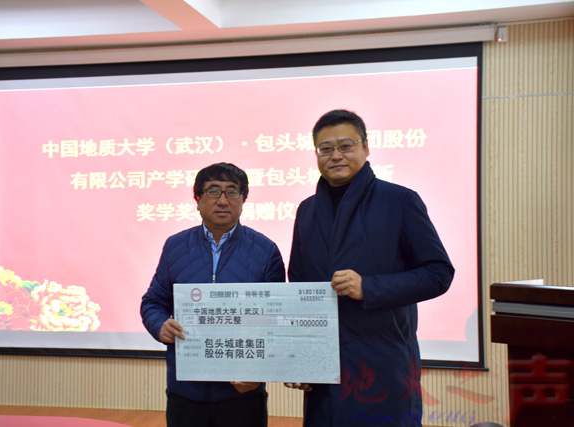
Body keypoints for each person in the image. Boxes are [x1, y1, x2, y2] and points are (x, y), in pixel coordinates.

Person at [285, 110, 454, 426]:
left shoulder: (399, 201)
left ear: (366, 147)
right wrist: (300, 358)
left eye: (345, 145)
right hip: (324, 371)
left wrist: (369, 287)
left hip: (383, 366)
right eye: (325, 148)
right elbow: (297, 287)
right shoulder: (307, 210)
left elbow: (438, 273)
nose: (336, 155)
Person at [141, 162, 286, 427]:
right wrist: (159, 324)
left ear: (243, 199)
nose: (222, 200)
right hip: (186, 391)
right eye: (213, 191)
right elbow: (153, 302)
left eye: (232, 192)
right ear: (197, 199)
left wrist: (260, 372)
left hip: (242, 393)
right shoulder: (175, 246)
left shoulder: (266, 251)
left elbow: (277, 321)